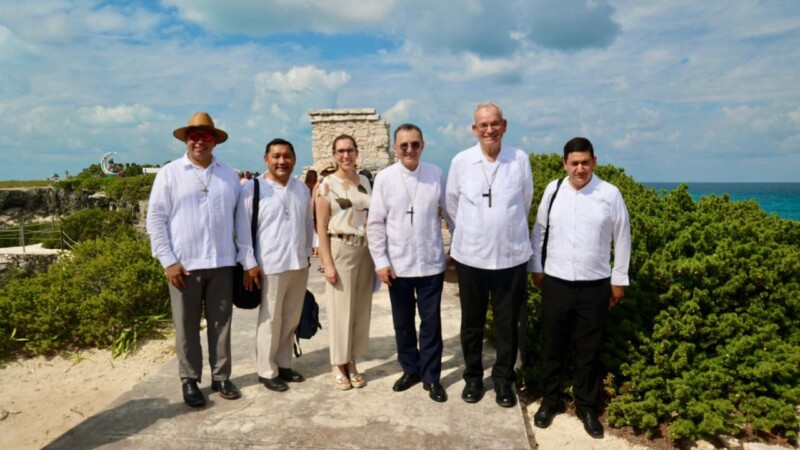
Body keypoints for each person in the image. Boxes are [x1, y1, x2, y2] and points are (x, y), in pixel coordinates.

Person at [530, 137, 631, 439]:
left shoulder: (609, 194)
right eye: (574, 163)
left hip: (595, 284)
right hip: (556, 281)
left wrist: (619, 279)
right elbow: (539, 230)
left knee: (589, 350)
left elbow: (622, 237)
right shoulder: (553, 189)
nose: (580, 168)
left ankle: (587, 407)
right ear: (565, 164)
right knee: (553, 346)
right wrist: (536, 267)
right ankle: (550, 401)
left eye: (585, 162)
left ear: (594, 162)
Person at [146, 112, 244, 407]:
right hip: (184, 265)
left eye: (206, 136)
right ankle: (189, 380)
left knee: (221, 325)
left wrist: (244, 257)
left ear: (215, 140)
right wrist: (167, 260)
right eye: (194, 136)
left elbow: (240, 219)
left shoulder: (229, 174)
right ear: (186, 139)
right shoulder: (170, 173)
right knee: (186, 326)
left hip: (222, 262)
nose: (199, 141)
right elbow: (156, 219)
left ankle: (221, 376)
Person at [445, 102, 533, 408]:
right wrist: (475, 231)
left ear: (504, 125)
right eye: (483, 125)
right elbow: (452, 205)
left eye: (494, 124)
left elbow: (525, 202)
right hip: (472, 258)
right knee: (472, 322)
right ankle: (472, 378)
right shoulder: (460, 162)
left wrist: (502, 229)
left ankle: (503, 381)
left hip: (510, 258)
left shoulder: (519, 159)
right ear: (474, 129)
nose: (489, 130)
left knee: (507, 325)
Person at [367, 124, 450, 403]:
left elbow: (451, 214)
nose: (410, 150)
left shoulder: (436, 174)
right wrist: (381, 261)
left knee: (431, 324)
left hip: (430, 264)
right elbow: (375, 223)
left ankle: (431, 377)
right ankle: (410, 370)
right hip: (398, 265)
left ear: (423, 146)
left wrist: (460, 250)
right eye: (404, 145)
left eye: (415, 144)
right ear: (395, 148)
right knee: (403, 323)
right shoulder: (385, 178)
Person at [236, 138, 313, 392]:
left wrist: (306, 255)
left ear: (294, 159)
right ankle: (267, 370)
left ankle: (284, 363)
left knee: (290, 317)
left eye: (287, 156)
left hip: (297, 263)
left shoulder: (301, 189)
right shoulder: (253, 188)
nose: (282, 161)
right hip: (269, 264)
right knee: (270, 319)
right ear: (266, 159)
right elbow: (243, 229)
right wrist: (249, 263)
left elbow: (306, 224)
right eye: (276, 156)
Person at [316, 134, 374, 390]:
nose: (345, 155)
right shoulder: (326, 184)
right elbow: (320, 226)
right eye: (340, 151)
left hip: (365, 252)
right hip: (341, 248)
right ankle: (337, 363)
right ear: (333, 154)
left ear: (356, 152)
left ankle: (351, 361)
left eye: (349, 150)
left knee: (359, 310)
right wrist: (327, 263)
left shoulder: (364, 182)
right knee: (340, 310)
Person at [304, 169, 320, 257]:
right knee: (317, 231)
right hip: (315, 210)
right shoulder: (317, 185)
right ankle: (316, 249)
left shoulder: (304, 186)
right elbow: (313, 200)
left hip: (308, 210)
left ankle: (313, 249)